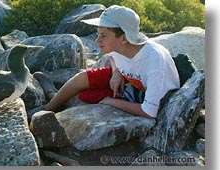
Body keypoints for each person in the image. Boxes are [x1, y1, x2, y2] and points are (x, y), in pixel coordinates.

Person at [35, 5, 180, 119]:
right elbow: (113, 57)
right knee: (82, 80)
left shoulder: (154, 59)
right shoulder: (121, 47)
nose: (97, 40)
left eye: (103, 36)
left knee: (83, 100)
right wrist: (116, 73)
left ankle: (52, 95)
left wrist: (111, 102)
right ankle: (47, 108)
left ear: (123, 38)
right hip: (126, 84)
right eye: (98, 34)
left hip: (144, 99)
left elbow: (149, 112)